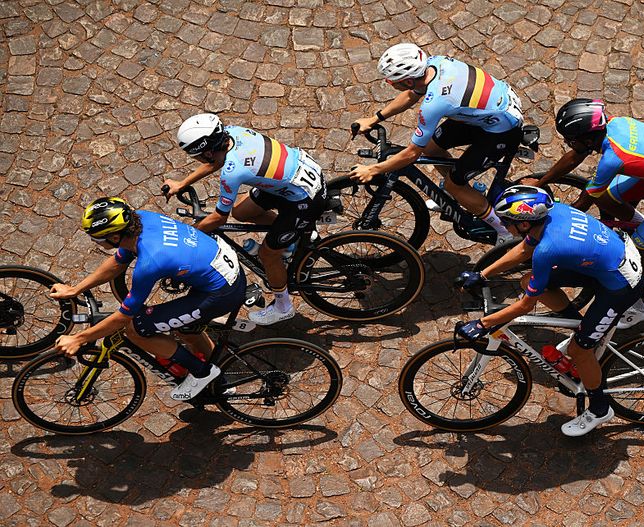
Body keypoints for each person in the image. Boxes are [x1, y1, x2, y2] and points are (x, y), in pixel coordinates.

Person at [456, 186, 644, 436]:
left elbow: (526, 305)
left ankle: (600, 409)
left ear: (525, 224)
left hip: (621, 285)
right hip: (610, 262)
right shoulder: (553, 213)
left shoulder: (548, 249)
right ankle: (583, 330)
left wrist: (483, 324)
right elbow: (524, 249)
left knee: (580, 350)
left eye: (507, 222)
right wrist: (483, 274)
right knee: (529, 281)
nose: (504, 226)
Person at [530, 98, 644, 325]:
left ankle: (641, 304)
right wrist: (541, 183)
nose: (568, 143)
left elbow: (583, 203)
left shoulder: (612, 158)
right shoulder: (616, 123)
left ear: (587, 138)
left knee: (632, 251)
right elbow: (576, 157)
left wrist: (555, 222)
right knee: (609, 195)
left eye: (571, 140)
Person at [51, 197, 246, 400]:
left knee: (136, 329)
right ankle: (219, 382)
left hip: (221, 293)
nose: (94, 241)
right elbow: (117, 263)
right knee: (187, 330)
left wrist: (79, 338)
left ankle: (202, 373)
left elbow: (124, 317)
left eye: (97, 237)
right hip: (224, 275)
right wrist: (75, 289)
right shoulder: (141, 219)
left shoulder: (150, 262)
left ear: (116, 237)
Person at [349, 42, 524, 245]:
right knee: (433, 149)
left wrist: (373, 170)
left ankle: (505, 232)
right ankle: (469, 192)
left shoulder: (435, 103)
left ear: (407, 81)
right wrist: (375, 118)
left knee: (453, 184)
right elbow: (410, 95)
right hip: (486, 111)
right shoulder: (434, 64)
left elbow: (412, 154)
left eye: (391, 81)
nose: (389, 83)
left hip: (502, 129)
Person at [163, 113, 328, 325]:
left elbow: (219, 219)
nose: (197, 160)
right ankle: (292, 238)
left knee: (267, 255)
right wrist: (182, 183)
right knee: (241, 212)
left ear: (207, 151)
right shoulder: (232, 132)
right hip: (293, 181)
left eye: (197, 156)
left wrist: (190, 233)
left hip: (304, 200)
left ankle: (283, 307)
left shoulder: (233, 172)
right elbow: (215, 160)